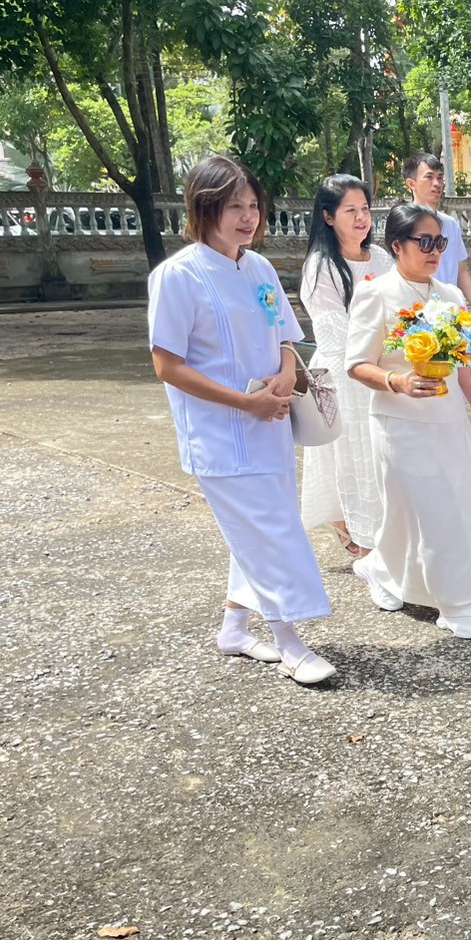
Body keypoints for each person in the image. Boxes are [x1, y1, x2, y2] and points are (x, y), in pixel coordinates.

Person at [147, 155, 335, 685]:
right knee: (270, 529)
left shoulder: (258, 267)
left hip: (269, 422)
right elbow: (167, 364)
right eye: (234, 206)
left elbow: (283, 334)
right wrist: (244, 401)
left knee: (255, 527)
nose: (248, 216)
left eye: (253, 205)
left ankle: (235, 627)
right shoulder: (177, 276)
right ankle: (290, 639)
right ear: (204, 207)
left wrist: (282, 375)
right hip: (219, 434)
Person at [344, 203, 471, 638]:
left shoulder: (452, 296)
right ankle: (452, 603)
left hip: (449, 420)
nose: (435, 250)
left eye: (440, 242)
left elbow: (470, 369)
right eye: (425, 241)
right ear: (397, 245)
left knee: (455, 506)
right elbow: (358, 364)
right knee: (430, 511)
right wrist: (397, 380)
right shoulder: (375, 293)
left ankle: (380, 567)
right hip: (399, 423)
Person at [298, 174, 393, 558]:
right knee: (354, 454)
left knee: (381, 453)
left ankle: (385, 528)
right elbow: (335, 333)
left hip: (383, 364)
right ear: (328, 217)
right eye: (350, 210)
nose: (361, 218)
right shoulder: (321, 267)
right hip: (344, 372)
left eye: (365, 209)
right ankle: (361, 533)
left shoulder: (383, 259)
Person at [403, 152, 471, 305]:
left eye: (440, 178)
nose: (437, 184)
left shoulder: (450, 223)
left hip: (451, 311)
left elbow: (461, 269)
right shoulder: (404, 225)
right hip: (417, 313)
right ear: (411, 184)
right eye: (429, 177)